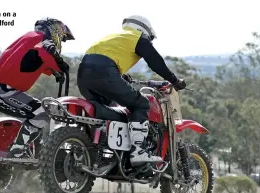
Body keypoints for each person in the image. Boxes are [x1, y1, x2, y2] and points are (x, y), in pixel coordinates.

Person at [77, 15, 186, 166]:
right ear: (144, 29)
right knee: (141, 104)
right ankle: (138, 151)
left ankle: (99, 151)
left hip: (83, 74)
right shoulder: (138, 37)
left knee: (107, 109)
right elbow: (156, 62)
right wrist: (174, 80)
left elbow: (102, 59)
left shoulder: (114, 37)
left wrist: (119, 76)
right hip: (105, 72)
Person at [0, 18, 75, 159]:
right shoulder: (41, 39)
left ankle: (27, 147)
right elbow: (46, 49)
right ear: (55, 31)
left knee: (34, 114)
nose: (61, 42)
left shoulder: (28, 39)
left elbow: (35, 61)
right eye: (62, 38)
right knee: (43, 114)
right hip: (5, 92)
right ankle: (18, 150)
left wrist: (55, 71)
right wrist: (60, 63)